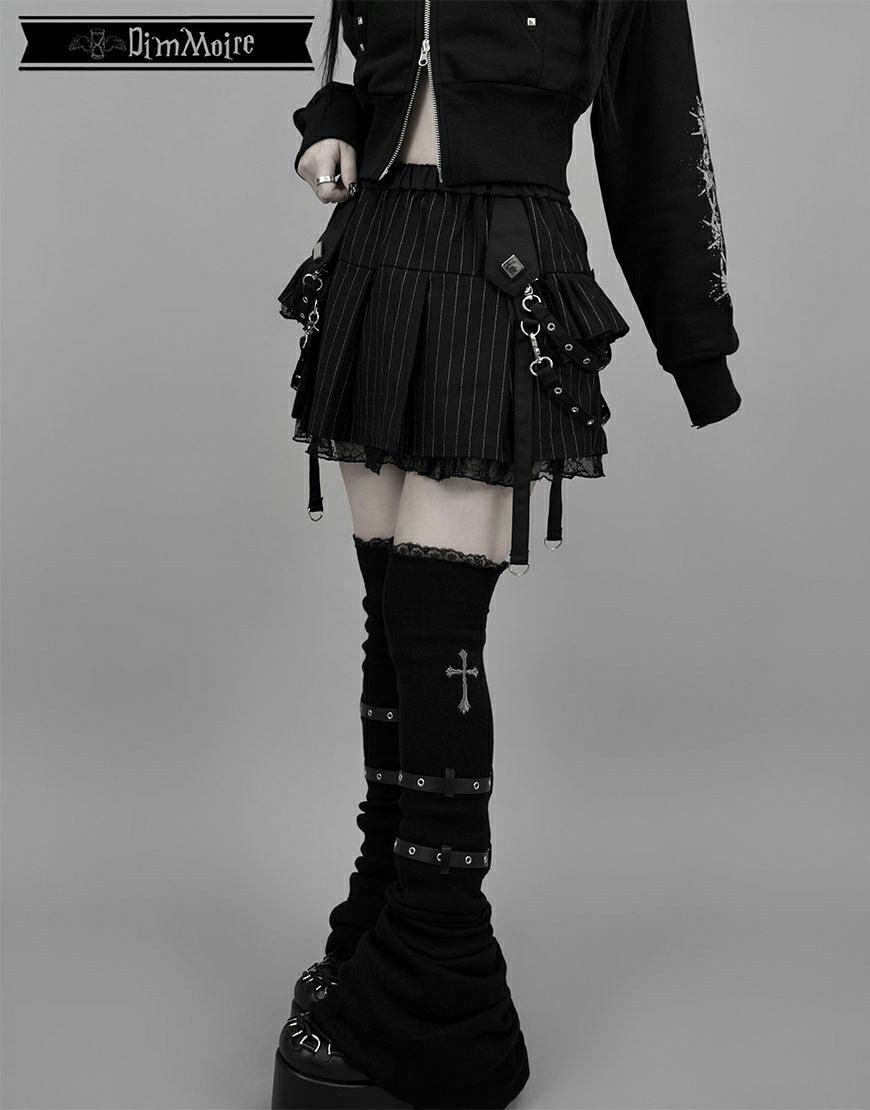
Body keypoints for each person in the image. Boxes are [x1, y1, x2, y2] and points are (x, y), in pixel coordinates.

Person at [271, 2, 742, 1107]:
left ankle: (438, 982)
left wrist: (699, 350)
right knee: (390, 626)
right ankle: (380, 918)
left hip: (501, 267)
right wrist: (329, 123)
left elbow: (654, 131)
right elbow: (363, 55)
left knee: (432, 629)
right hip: (375, 252)